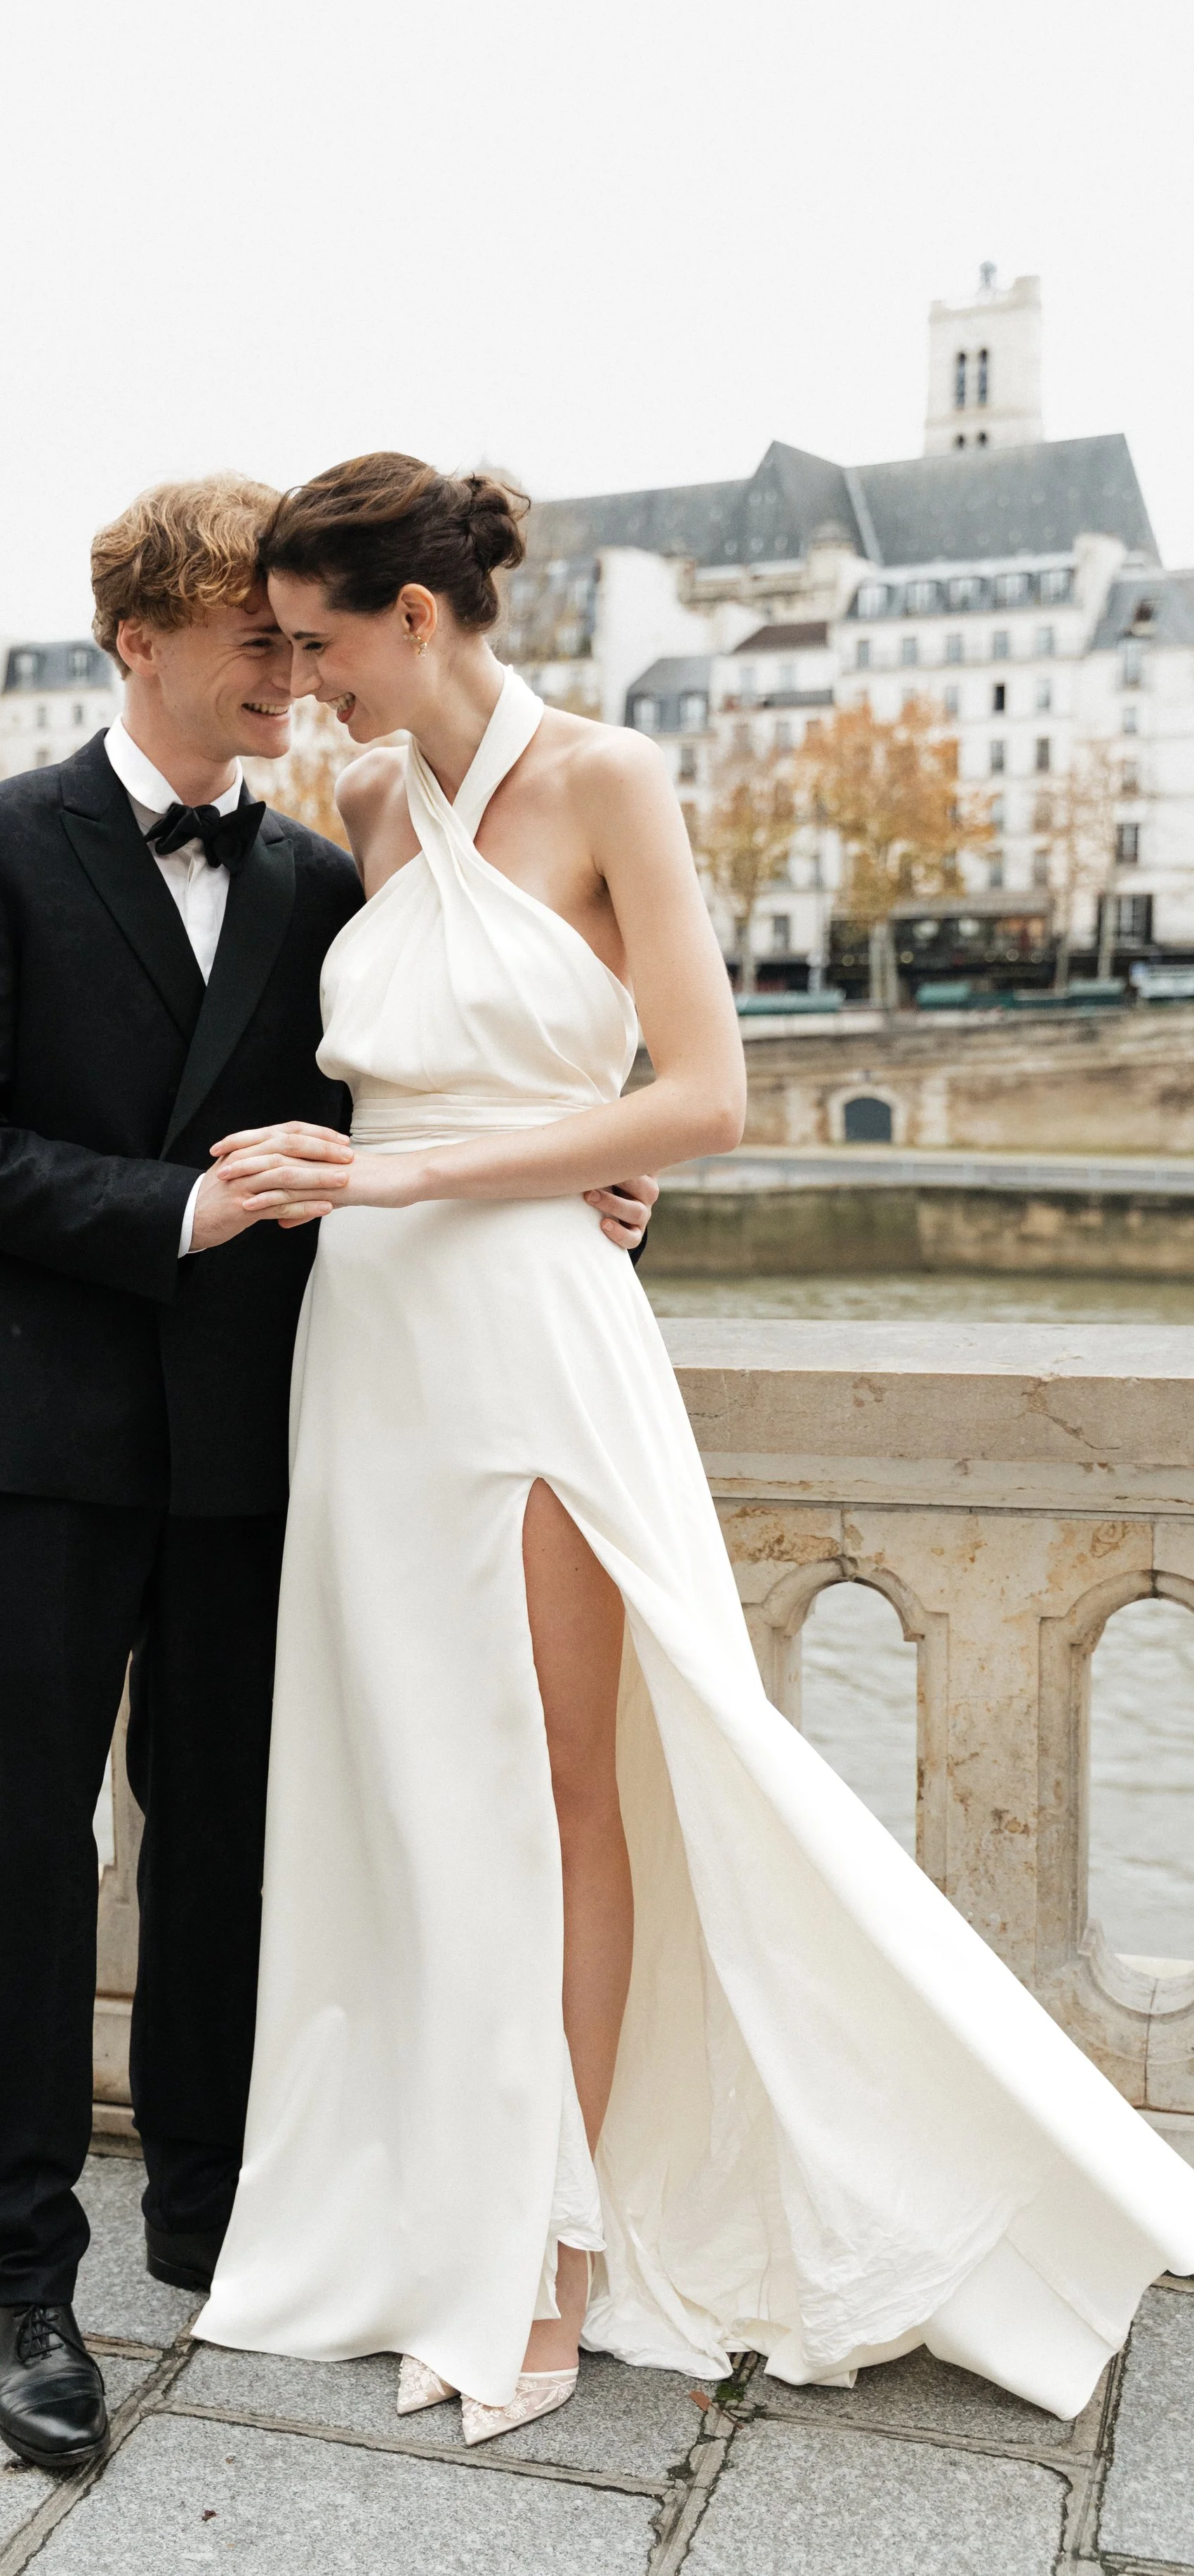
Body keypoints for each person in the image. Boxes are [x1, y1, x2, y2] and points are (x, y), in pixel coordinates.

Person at [194, 453, 1194, 2444]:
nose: (298, 685)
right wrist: (379, 1181)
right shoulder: (367, 800)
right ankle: (432, 2207)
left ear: (417, 612)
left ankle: (552, 2252)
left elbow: (710, 1095)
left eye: (318, 643)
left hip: (524, 1327)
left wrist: (451, 1177)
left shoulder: (610, 781)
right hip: (370, 1334)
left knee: (570, 1782)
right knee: (408, 1777)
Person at [0, 470, 658, 2471]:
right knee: (26, 1860)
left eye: (303, 640)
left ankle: (213, 2212)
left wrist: (604, 1156)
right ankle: (21, 2271)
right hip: (42, 1445)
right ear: (136, 641)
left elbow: (435, 1087)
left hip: (266, 1446)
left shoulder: (331, 869)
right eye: (255, 640)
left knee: (230, 1841)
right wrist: (179, 1213)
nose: (291, 679)